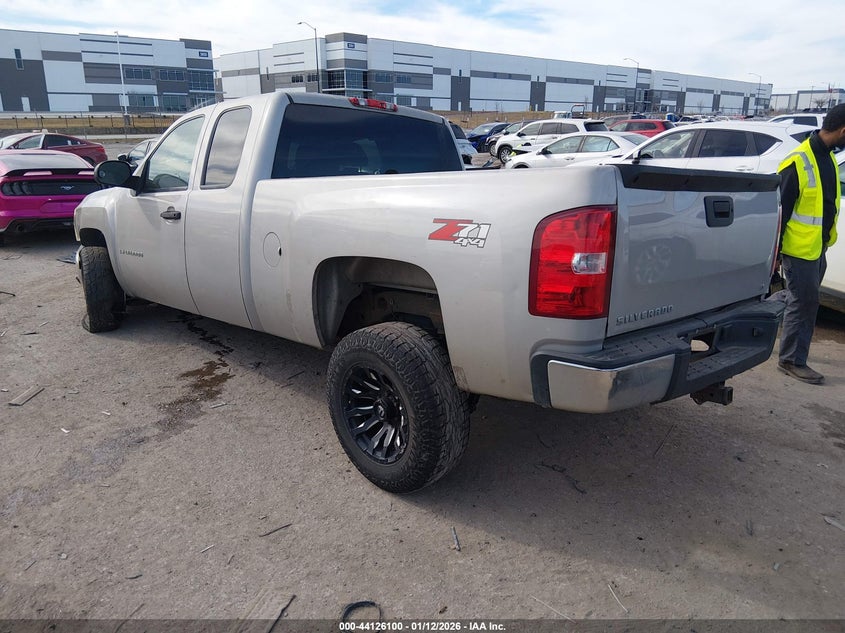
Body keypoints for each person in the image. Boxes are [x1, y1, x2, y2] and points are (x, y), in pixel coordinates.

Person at [775, 103, 845, 384]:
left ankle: (762, 323)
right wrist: (776, 253)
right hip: (798, 250)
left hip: (817, 248)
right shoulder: (798, 161)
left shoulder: (827, 156)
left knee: (800, 300)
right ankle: (791, 359)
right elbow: (780, 211)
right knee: (805, 302)